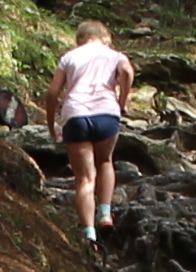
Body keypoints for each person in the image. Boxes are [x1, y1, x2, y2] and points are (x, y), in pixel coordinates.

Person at [51, 19, 134, 242]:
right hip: (107, 114)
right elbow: (126, 72)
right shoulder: (115, 55)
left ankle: (89, 234)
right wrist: (122, 101)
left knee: (85, 178)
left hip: (76, 116)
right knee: (105, 161)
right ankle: (105, 214)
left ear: (81, 38)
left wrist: (51, 125)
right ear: (105, 37)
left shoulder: (69, 57)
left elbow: (52, 93)